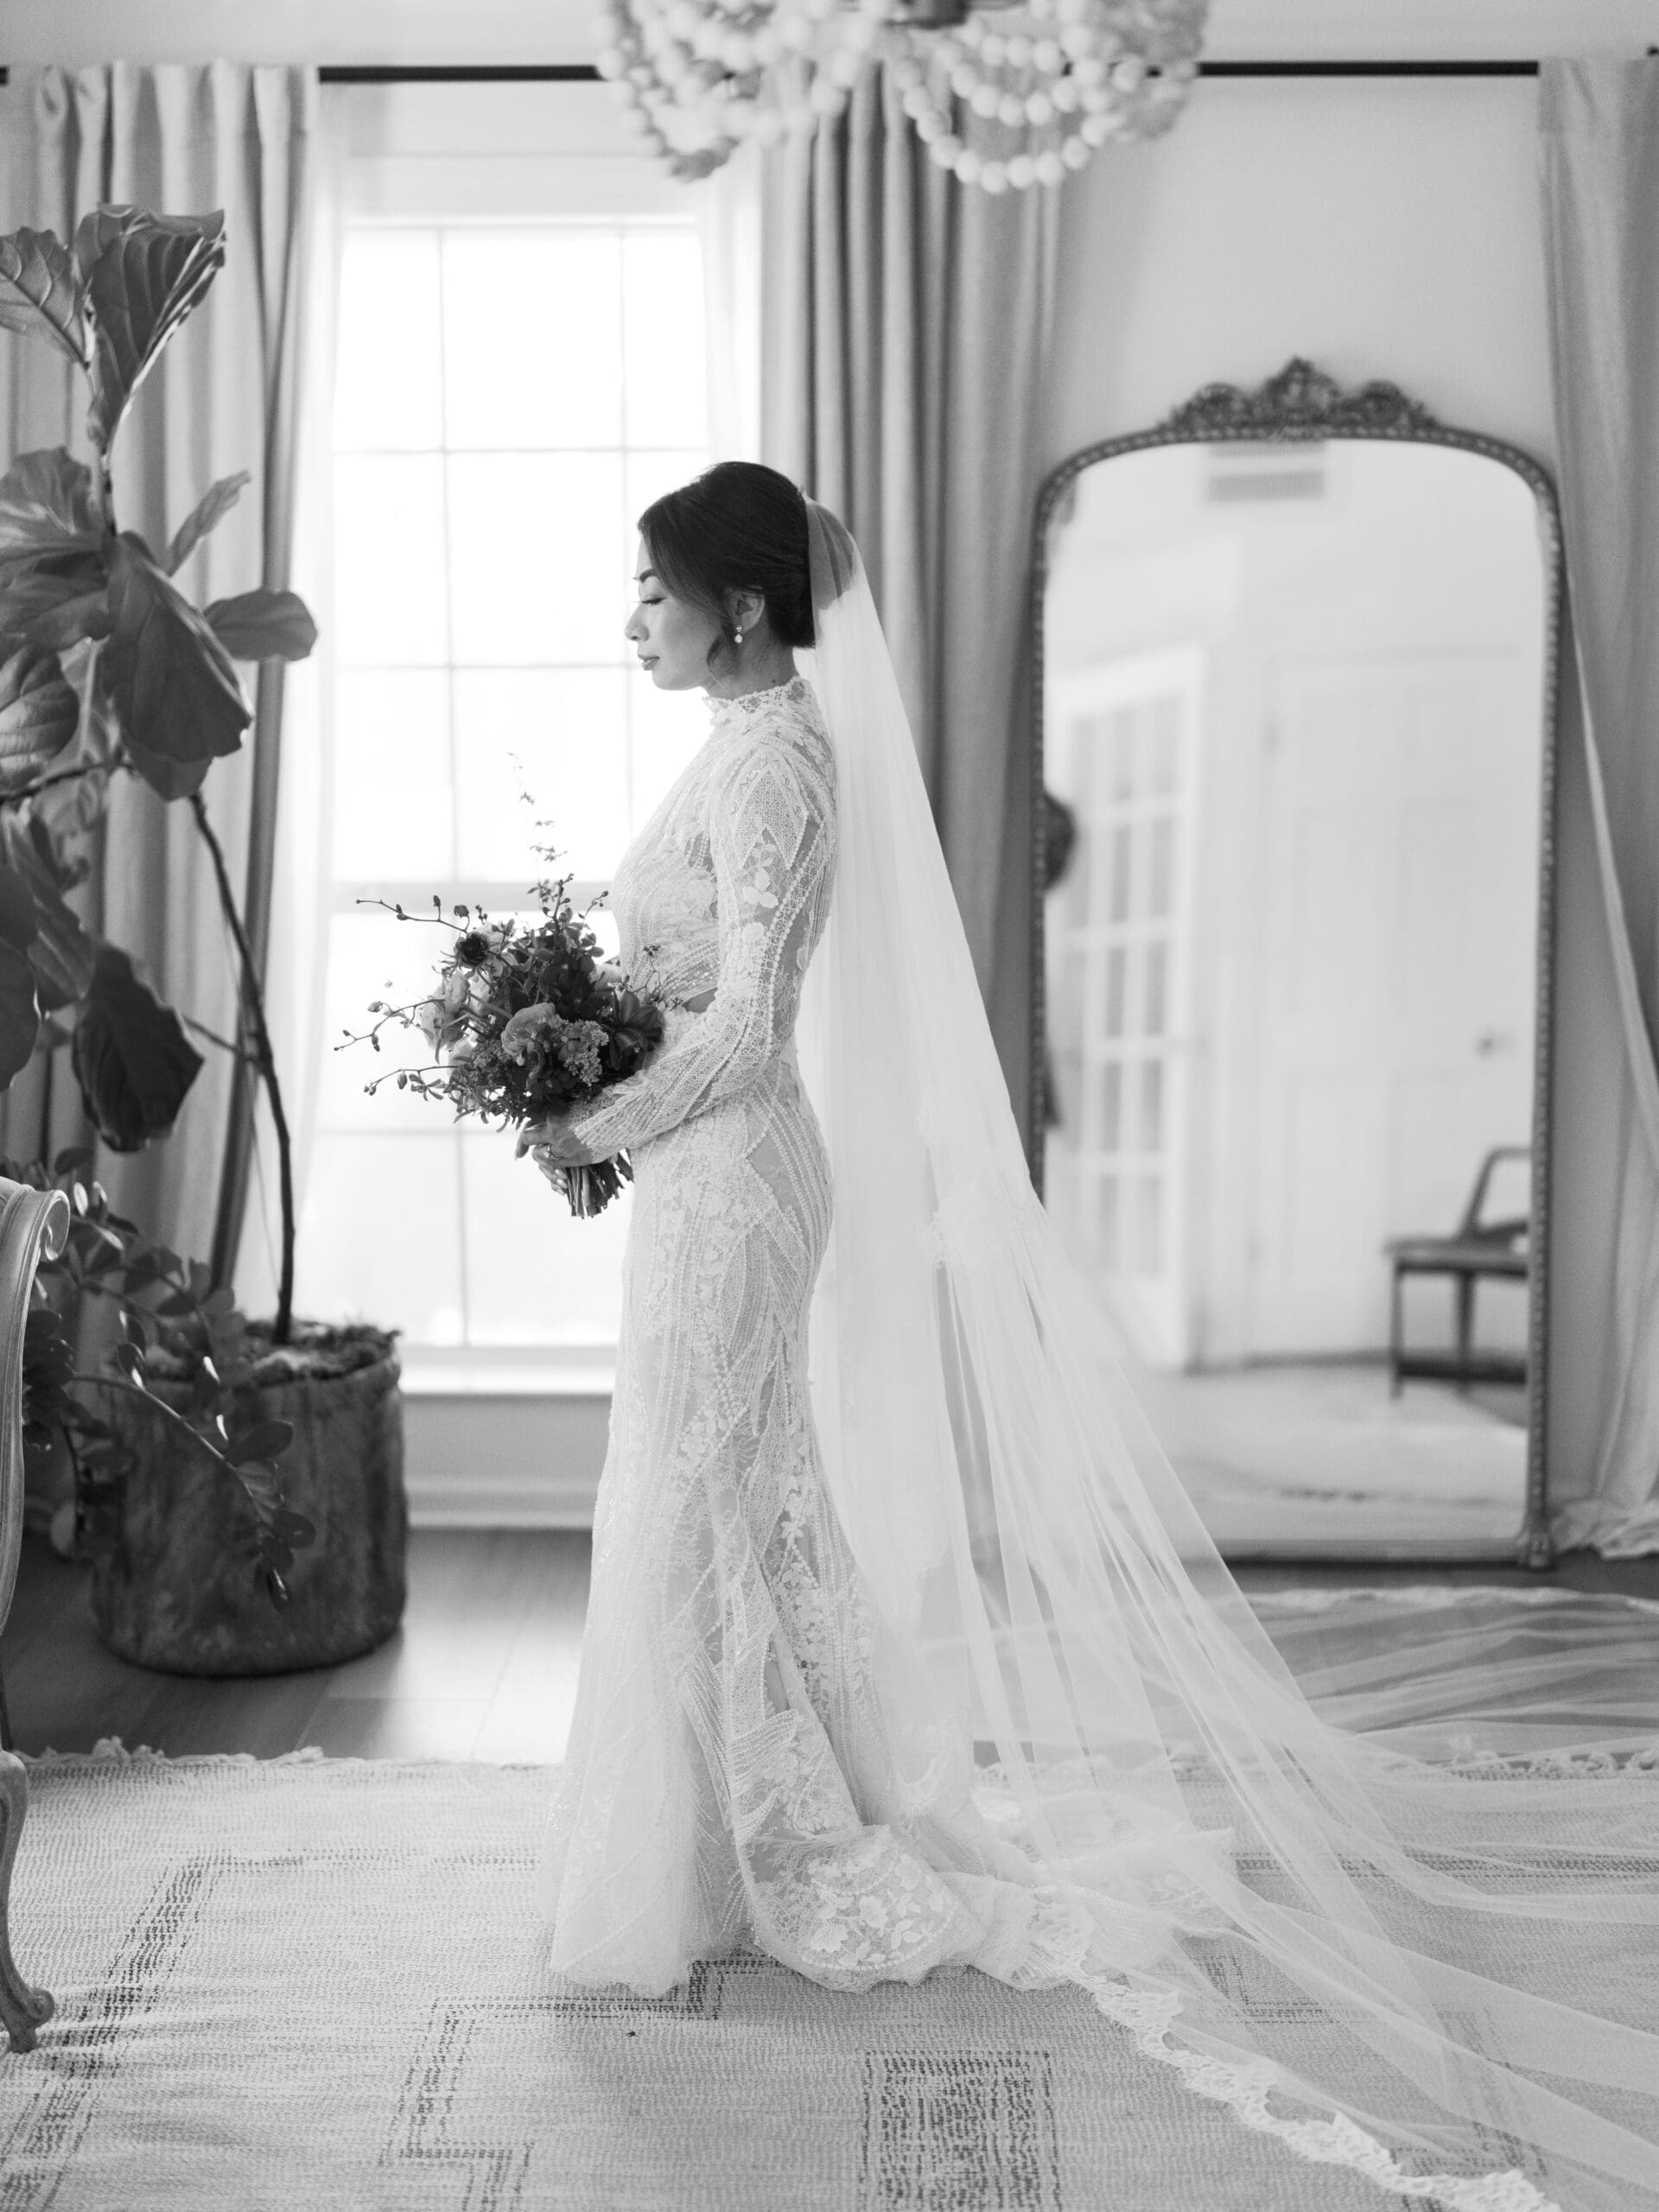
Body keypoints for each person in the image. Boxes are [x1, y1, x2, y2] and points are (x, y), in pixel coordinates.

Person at [518, 461, 1659, 2211]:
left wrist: (596, 1122)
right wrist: (590, 1094)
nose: (632, 618)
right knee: (725, 1498)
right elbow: (691, 1012)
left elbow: (748, 1026)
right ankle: (734, 1828)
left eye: (653, 589)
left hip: (733, 1179)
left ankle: (777, 1838)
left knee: (715, 1499)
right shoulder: (747, 739)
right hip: (701, 1172)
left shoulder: (774, 763)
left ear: (737, 607)